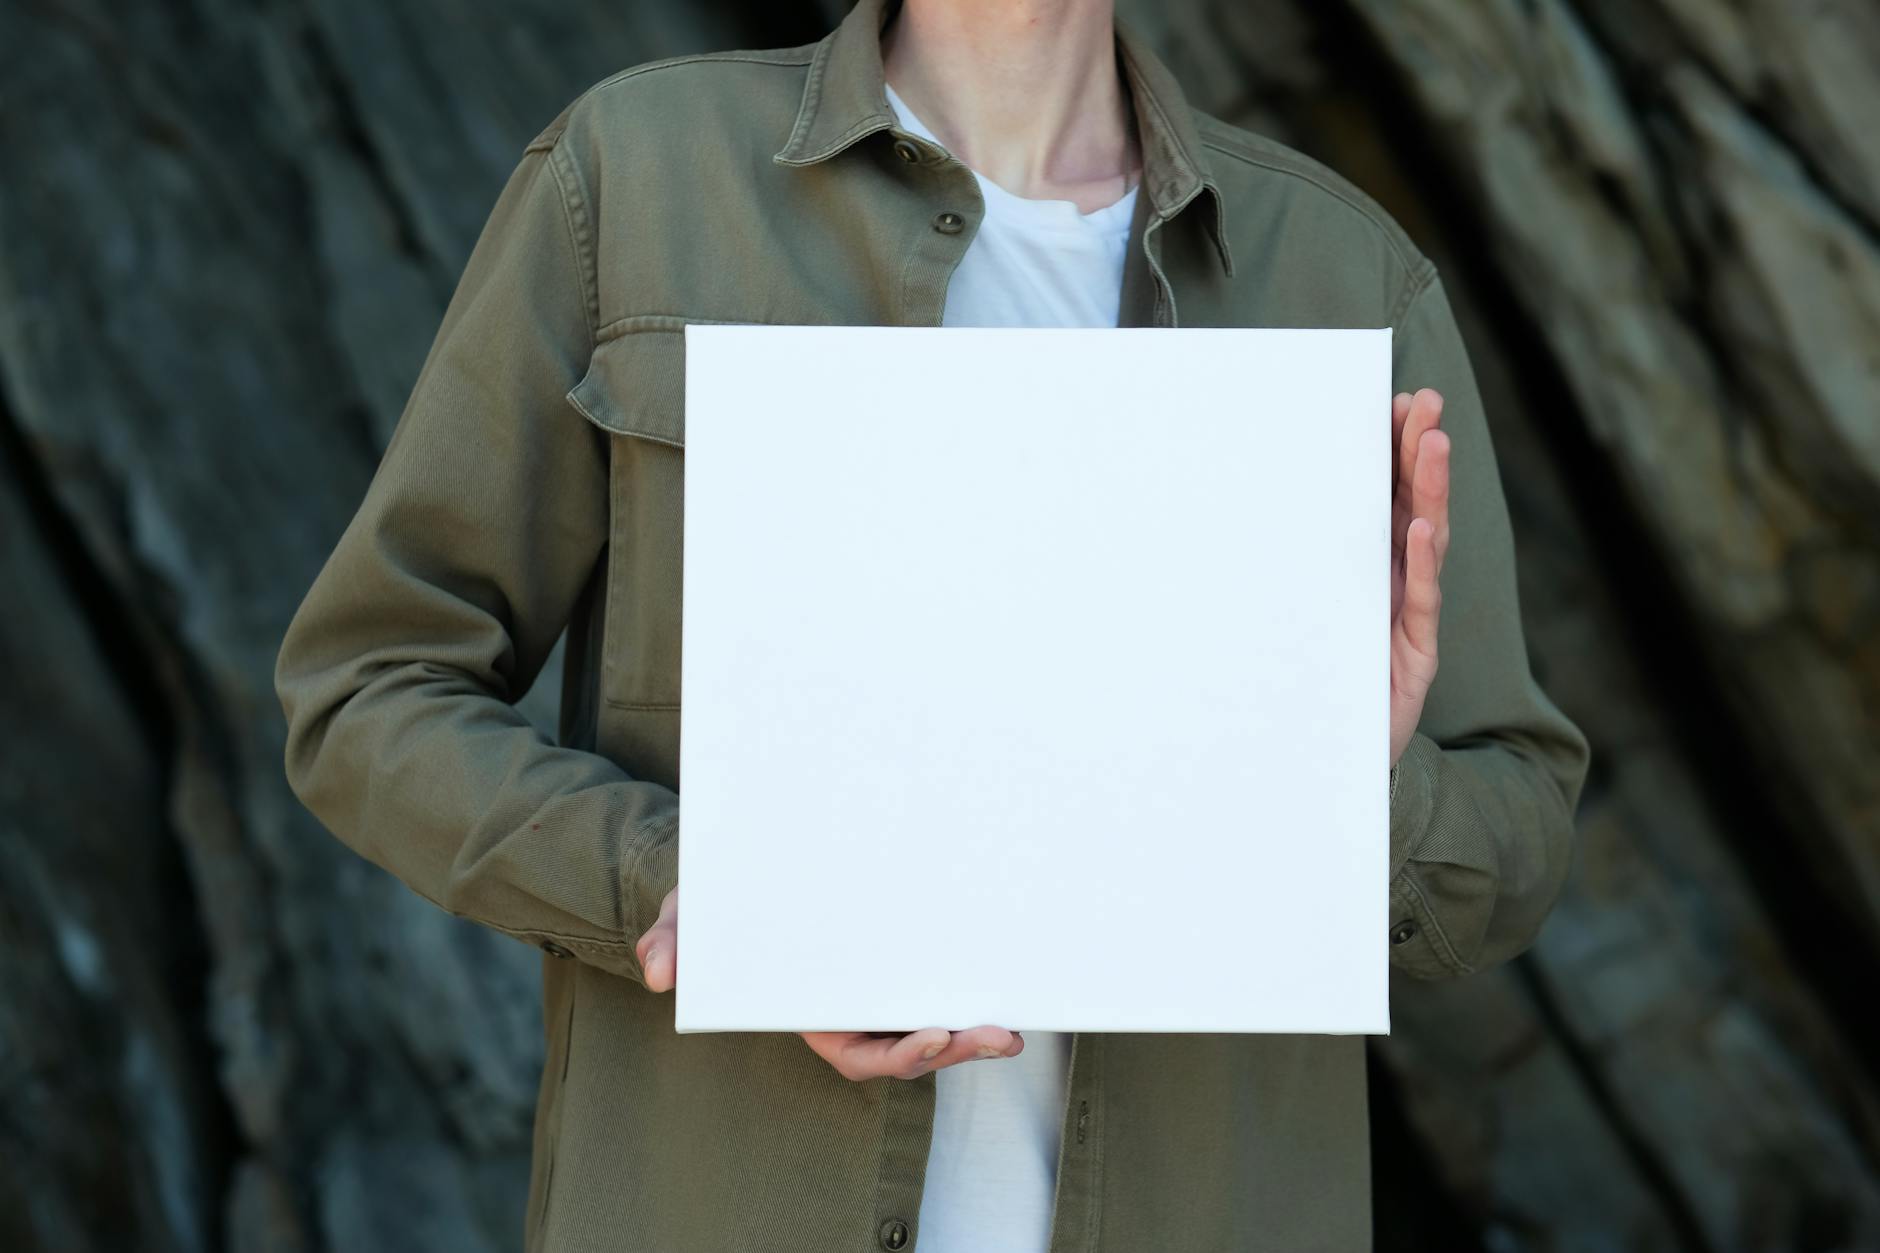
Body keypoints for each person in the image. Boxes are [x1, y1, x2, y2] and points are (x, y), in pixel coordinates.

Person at [272, 0, 1592, 1249]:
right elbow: (370, 686)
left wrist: (1349, 780)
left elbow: (1514, 835)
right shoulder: (634, 176)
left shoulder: (1346, 276)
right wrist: (682, 882)